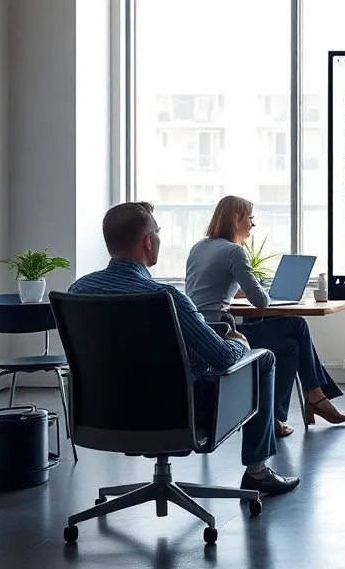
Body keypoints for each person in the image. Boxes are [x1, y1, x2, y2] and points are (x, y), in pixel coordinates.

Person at [68, 202, 300, 496]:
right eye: (159, 233)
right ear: (148, 241)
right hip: (175, 415)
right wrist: (237, 342)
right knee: (263, 358)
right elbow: (223, 359)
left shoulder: (78, 292)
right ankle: (257, 471)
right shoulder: (166, 298)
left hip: (101, 415)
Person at [185, 196, 345, 439]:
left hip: (198, 332)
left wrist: (243, 288)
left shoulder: (200, 246)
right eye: (250, 218)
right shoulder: (234, 252)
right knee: (297, 324)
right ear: (236, 218)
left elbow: (212, 286)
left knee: (290, 347)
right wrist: (271, 292)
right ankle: (314, 397)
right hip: (221, 335)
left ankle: (278, 418)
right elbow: (261, 302)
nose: (253, 224)